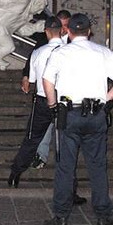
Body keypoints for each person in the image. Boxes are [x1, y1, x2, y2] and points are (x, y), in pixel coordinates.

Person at [43, 13, 113, 225]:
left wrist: (53, 105)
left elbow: (47, 80)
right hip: (96, 114)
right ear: (89, 32)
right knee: (97, 166)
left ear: (69, 32)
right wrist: (106, 98)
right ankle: (103, 216)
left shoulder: (61, 53)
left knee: (65, 167)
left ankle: (61, 216)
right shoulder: (103, 52)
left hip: (69, 113)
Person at [27, 10, 87, 205]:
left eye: (66, 25)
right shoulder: (51, 48)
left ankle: (69, 191)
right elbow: (44, 75)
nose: (63, 29)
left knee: (66, 148)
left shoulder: (70, 47)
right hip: (56, 99)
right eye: (61, 25)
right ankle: (42, 157)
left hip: (67, 101)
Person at [8, 16, 64, 187]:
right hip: (64, 101)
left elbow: (32, 79)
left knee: (32, 139)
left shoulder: (38, 52)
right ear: (61, 31)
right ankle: (69, 186)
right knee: (66, 143)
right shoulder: (70, 51)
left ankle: (15, 174)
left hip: (42, 100)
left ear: (46, 31)